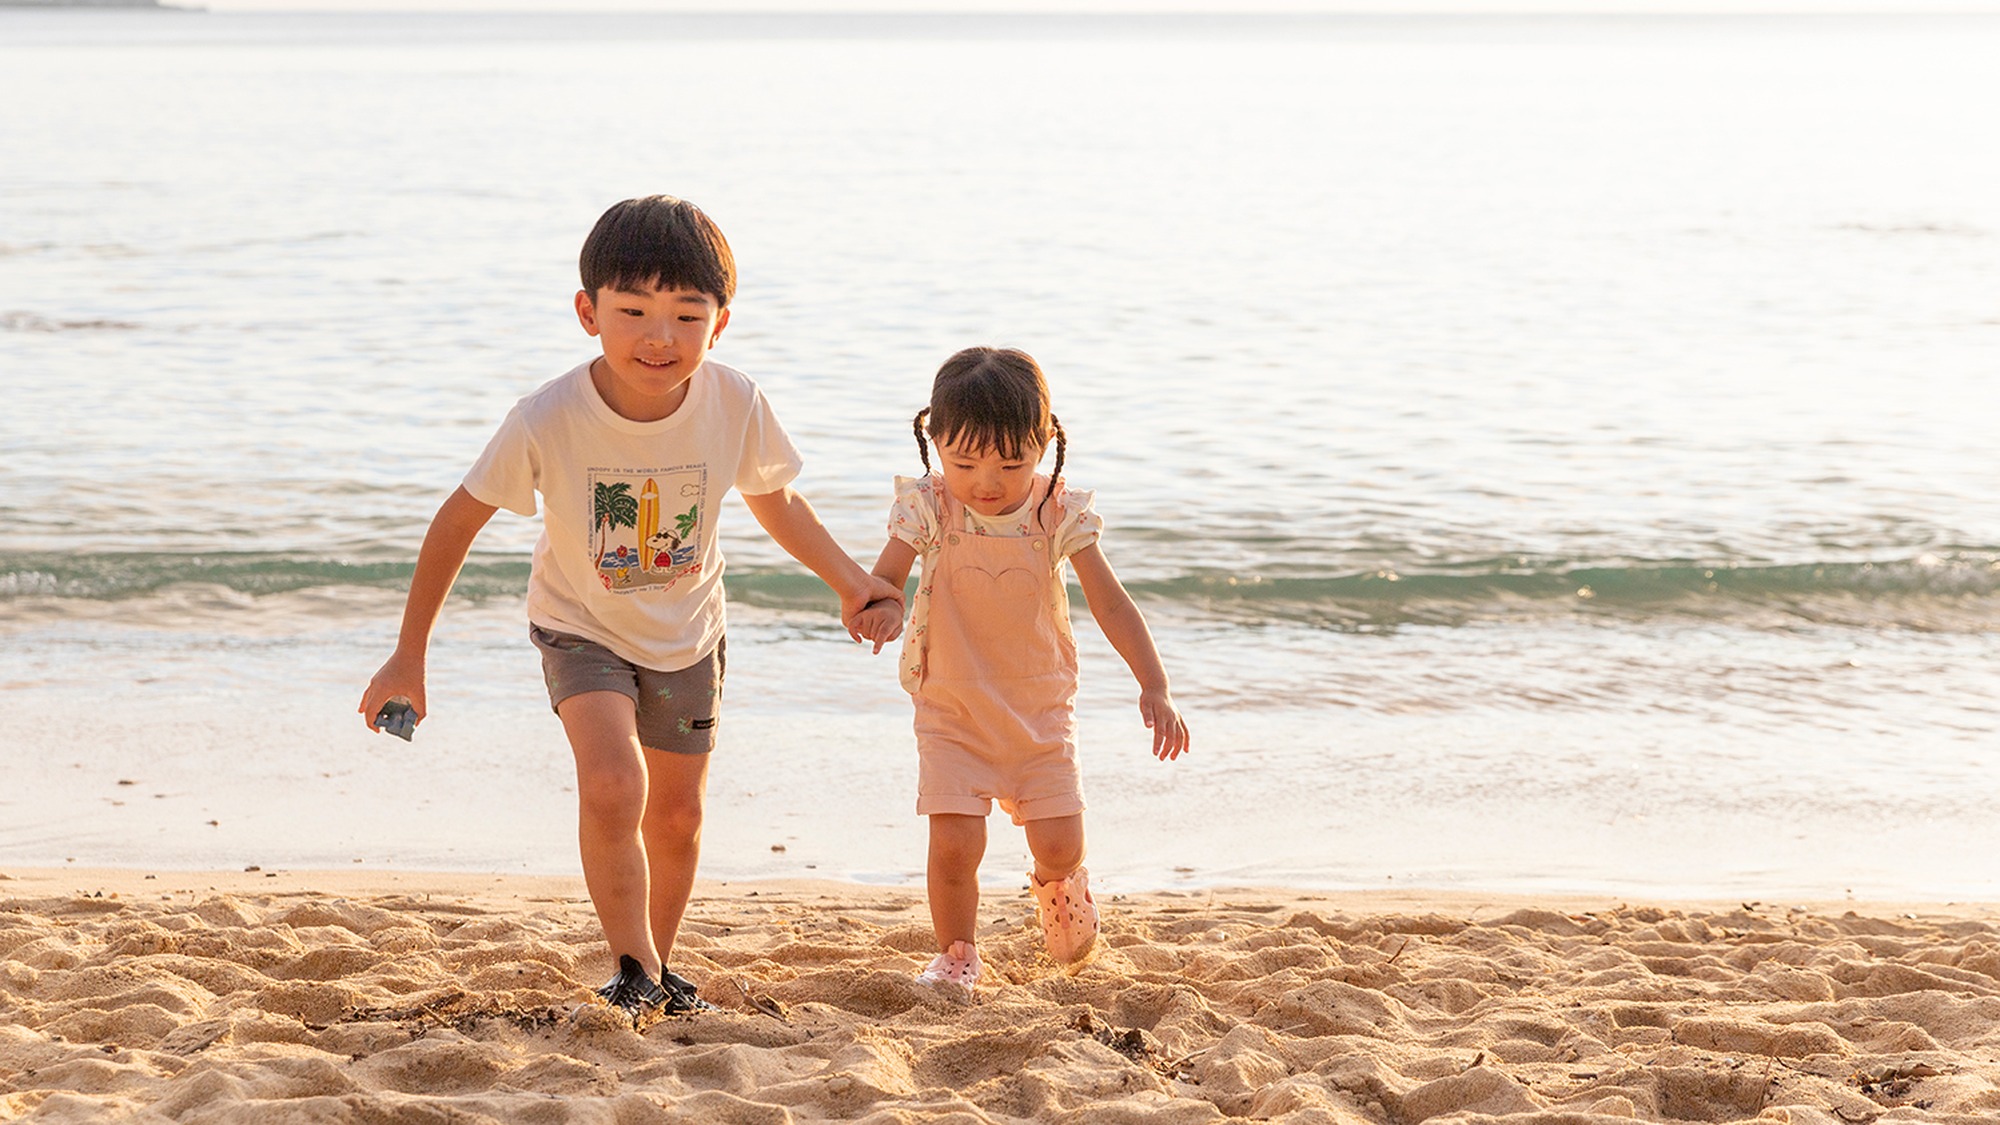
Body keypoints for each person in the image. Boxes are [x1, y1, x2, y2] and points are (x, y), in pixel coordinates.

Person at [358, 195, 901, 1019]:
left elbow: (777, 501)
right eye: (634, 312)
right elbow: (456, 521)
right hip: (580, 626)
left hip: (689, 634)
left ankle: (655, 965)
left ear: (720, 323)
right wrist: (409, 653)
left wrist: (852, 581)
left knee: (678, 815)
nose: (661, 337)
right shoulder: (547, 417)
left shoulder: (734, 401)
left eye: (688, 315)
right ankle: (632, 959)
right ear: (589, 313)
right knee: (615, 782)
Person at [850, 346, 1190, 991]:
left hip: (1038, 708)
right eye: (964, 462)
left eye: (1011, 463)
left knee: (1060, 845)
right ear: (935, 442)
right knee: (955, 846)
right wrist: (881, 611)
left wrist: (1155, 684)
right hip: (950, 705)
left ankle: (1059, 888)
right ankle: (956, 953)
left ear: (1044, 444)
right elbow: (886, 580)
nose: (986, 482)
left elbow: (1109, 599)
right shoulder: (927, 506)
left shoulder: (1057, 511)